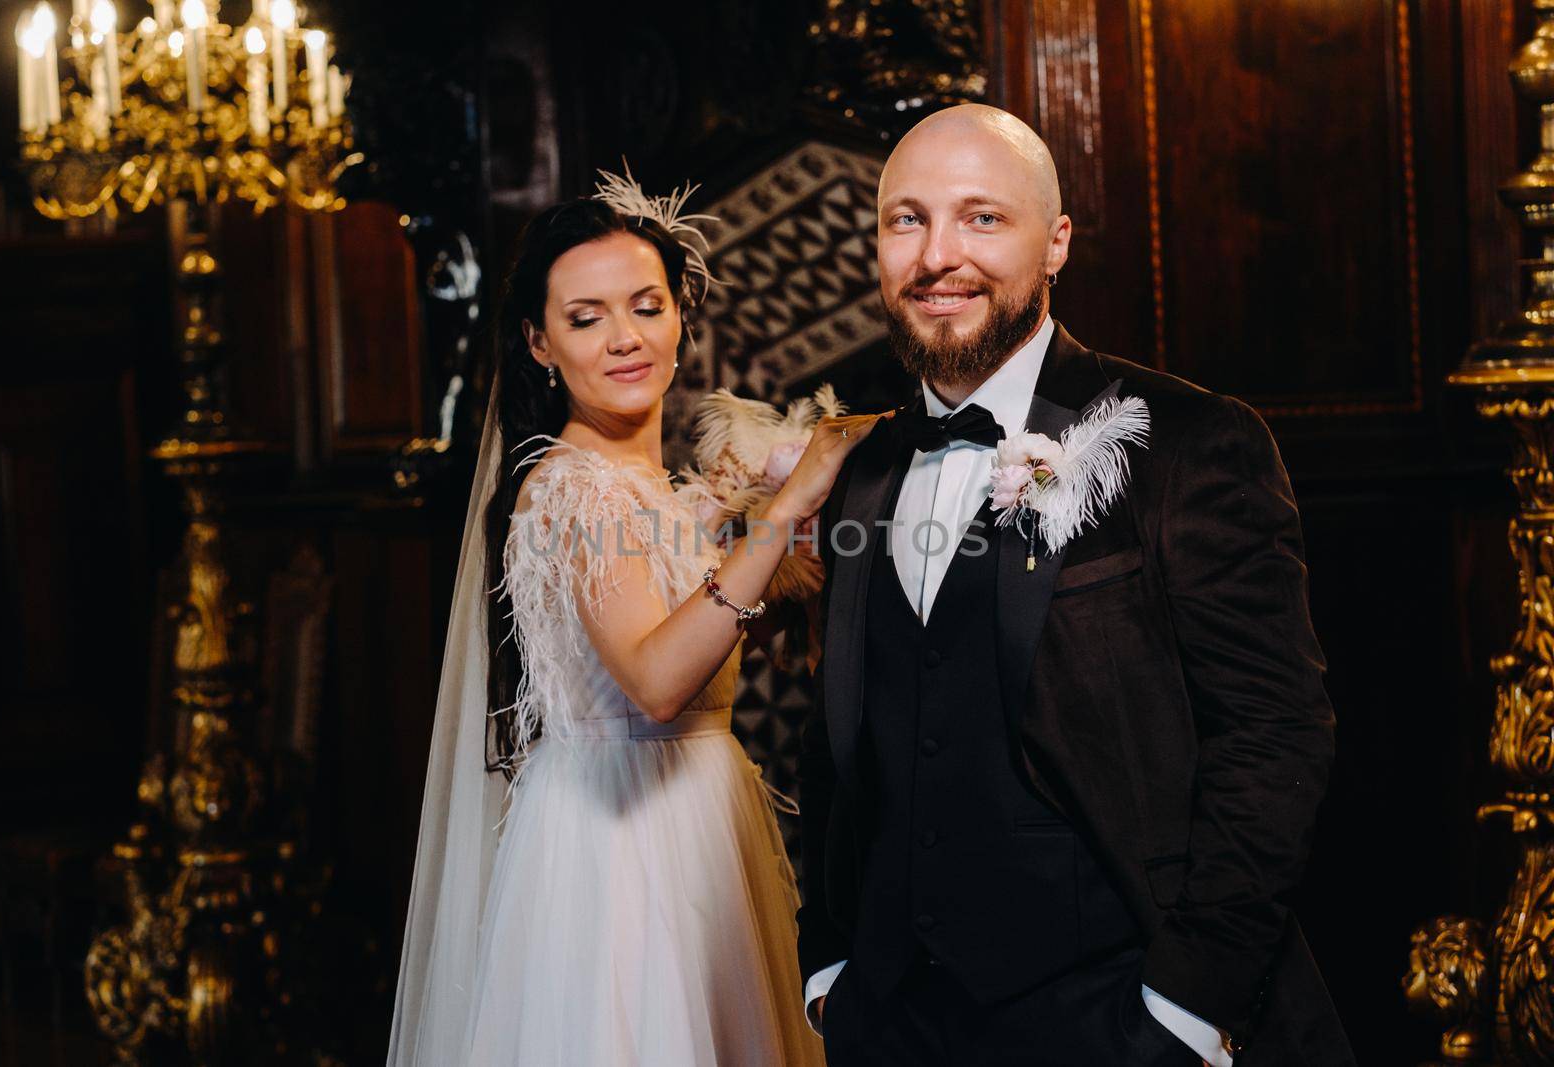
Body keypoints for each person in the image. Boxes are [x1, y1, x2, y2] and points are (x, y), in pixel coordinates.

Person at [797, 103, 1354, 1065]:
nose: (937, 256)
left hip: (1122, 1014)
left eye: (981, 218)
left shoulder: (1189, 440)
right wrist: (828, 968)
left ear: (1055, 242)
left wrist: (1184, 1009)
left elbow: (1275, 736)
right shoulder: (860, 464)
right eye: (906, 219)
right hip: (891, 1021)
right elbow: (844, 731)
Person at [386, 173, 873, 1065]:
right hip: (621, 844)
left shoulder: (653, 488)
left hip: (701, 812)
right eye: (586, 318)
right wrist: (781, 511)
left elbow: (697, 659)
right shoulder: (570, 487)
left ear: (681, 318)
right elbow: (653, 683)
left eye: (647, 306)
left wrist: (785, 586)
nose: (625, 338)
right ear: (539, 343)